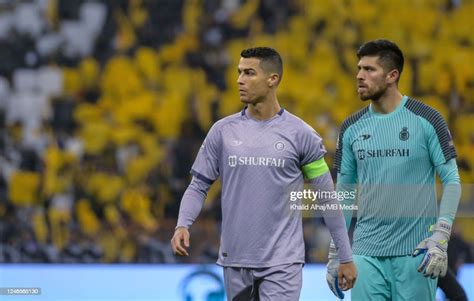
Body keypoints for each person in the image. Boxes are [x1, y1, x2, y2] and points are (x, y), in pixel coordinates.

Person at [171, 47, 357, 300]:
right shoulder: (222, 132)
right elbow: (198, 185)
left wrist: (345, 257)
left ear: (273, 80)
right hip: (235, 260)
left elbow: (326, 197)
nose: (239, 80)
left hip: (283, 263)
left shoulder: (301, 134)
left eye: (249, 73)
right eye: (239, 73)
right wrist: (183, 224)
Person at [329, 39, 462, 300]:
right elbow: (343, 194)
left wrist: (441, 236)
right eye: (359, 68)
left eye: (369, 70)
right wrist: (337, 252)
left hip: (416, 254)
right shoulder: (350, 128)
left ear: (392, 75)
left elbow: (452, 180)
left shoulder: (427, 119)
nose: (359, 76)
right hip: (365, 255)